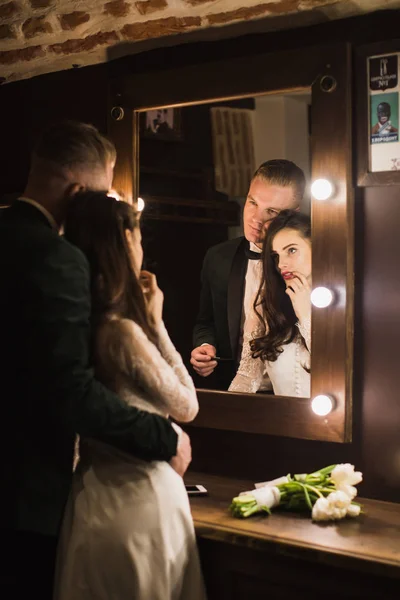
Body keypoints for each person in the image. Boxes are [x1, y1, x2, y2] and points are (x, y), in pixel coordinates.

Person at [0, 121, 191, 598]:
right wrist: (162, 435)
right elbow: (70, 391)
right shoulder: (57, 258)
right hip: (26, 494)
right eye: (100, 198)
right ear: (79, 190)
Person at [53, 193, 206, 600]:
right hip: (140, 504)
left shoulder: (79, 326)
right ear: (125, 238)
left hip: (90, 500)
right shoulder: (122, 333)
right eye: (138, 235)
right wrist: (156, 326)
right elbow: (187, 405)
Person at [191, 159, 306, 390]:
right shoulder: (218, 257)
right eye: (252, 202)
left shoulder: (309, 261)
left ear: (293, 214)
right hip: (234, 390)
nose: (256, 219)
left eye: (271, 212)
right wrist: (205, 346)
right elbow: (206, 322)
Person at [229, 210, 311, 396]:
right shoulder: (266, 305)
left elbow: (341, 371)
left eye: (292, 250)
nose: (281, 264)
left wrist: (306, 315)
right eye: (276, 256)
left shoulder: (344, 303)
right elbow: (246, 378)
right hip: (279, 422)